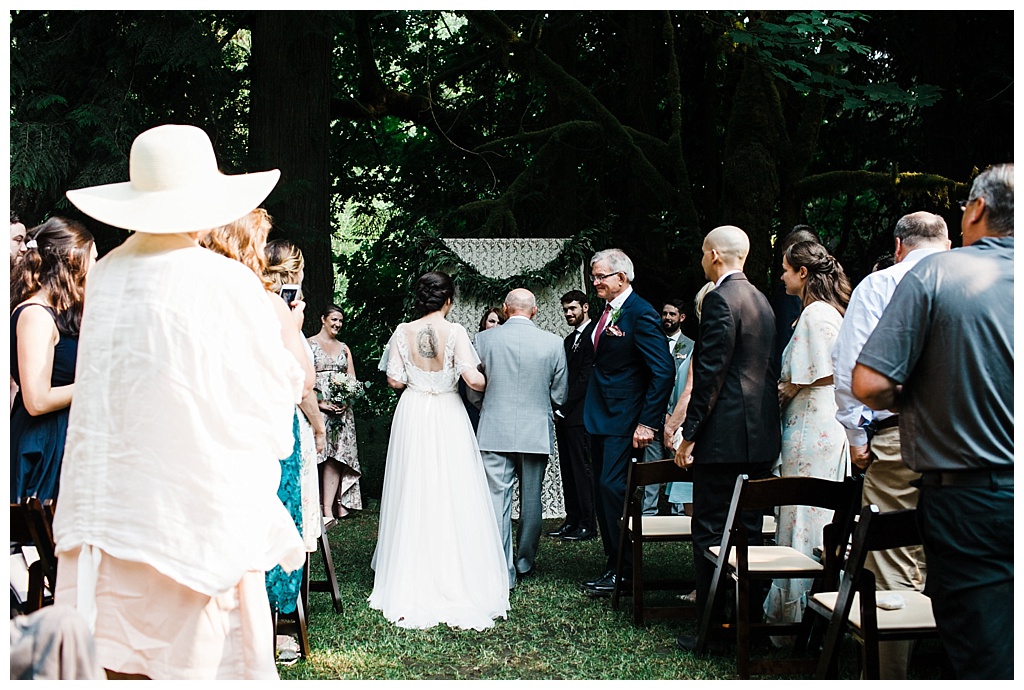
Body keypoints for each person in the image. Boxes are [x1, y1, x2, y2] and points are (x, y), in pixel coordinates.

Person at [53, 123, 310, 680]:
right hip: (192, 514)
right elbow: (268, 399)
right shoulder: (226, 282)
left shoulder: (107, 274)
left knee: (116, 663)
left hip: (108, 510)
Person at [852, 164, 1013, 680]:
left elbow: (869, 384)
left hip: (973, 495)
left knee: (982, 647)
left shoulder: (938, 273)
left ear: (976, 210)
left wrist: (926, 393)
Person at [831, 211, 950, 679]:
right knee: (959, 546)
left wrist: (857, 436)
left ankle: (890, 676)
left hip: (901, 433)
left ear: (898, 246)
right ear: (948, 242)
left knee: (892, 557)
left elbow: (851, 368)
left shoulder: (880, 285)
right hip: (976, 438)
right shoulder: (980, 282)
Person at [371, 271, 509, 630]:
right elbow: (473, 379)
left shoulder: (403, 331)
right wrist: (493, 375)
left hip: (414, 411)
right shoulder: (457, 332)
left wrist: (419, 376)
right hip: (447, 412)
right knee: (451, 487)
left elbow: (394, 380)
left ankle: (410, 569)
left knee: (412, 486)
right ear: (449, 300)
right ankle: (452, 569)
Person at [200, 209, 317, 622]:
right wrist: (294, 325)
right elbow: (303, 382)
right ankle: (278, 618)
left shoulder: (204, 295)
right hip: (268, 426)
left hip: (215, 424)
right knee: (277, 512)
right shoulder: (267, 303)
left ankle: (231, 613)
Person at [674, 226, 780, 652]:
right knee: (750, 533)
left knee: (710, 532)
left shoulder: (720, 298)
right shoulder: (762, 300)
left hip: (723, 440)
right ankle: (750, 626)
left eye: (702, 252)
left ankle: (713, 631)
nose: (701, 259)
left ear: (715, 254)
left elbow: (711, 376)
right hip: (759, 436)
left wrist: (689, 434)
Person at [763, 240, 852, 631]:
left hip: (811, 426)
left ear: (802, 272)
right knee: (813, 515)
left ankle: (794, 618)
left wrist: (784, 392)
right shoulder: (829, 311)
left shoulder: (816, 314)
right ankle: (810, 612)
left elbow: (815, 372)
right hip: (820, 421)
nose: (781, 276)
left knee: (801, 516)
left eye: (785, 269)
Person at [580, 248, 675, 596]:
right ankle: (613, 563)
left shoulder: (641, 313)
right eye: (594, 276)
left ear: (621, 277)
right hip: (599, 415)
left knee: (612, 488)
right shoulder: (607, 312)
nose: (595, 282)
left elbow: (663, 370)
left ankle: (624, 567)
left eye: (600, 276)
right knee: (603, 489)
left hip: (625, 418)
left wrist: (648, 422)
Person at [469, 288, 568, 586]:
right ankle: (524, 561)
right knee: (531, 500)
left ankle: (502, 567)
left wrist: (485, 406)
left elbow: (474, 388)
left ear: (506, 309)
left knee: (497, 500)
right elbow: (560, 393)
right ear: (534, 311)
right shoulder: (553, 343)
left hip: (494, 428)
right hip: (535, 429)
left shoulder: (484, 340)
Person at [10, 216, 97, 503]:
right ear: (73, 259)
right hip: (42, 444)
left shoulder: (63, 313)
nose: (95, 267)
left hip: (65, 438)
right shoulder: (35, 315)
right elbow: (37, 401)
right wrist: (96, 382)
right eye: (93, 258)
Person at [266, 238, 328, 551]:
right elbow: (303, 384)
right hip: (287, 424)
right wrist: (319, 427)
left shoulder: (255, 305)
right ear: (297, 273)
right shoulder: (282, 315)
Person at [549, 289, 598, 542]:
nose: (568, 313)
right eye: (566, 309)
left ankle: (588, 524)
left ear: (585, 307)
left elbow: (586, 378)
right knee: (567, 468)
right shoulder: (568, 341)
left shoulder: (594, 335)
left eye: (573, 309)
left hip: (582, 415)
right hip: (565, 416)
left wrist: (562, 407)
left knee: (582, 469)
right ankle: (572, 519)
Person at [639, 299, 694, 516]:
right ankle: (649, 510)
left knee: (678, 461)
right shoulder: (654, 342)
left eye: (672, 314)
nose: (667, 318)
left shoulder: (691, 346)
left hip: (678, 415)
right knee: (651, 462)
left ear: (682, 317)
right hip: (654, 413)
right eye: (665, 313)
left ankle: (679, 509)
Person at [308, 304, 363, 521]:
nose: (338, 324)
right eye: (334, 319)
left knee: (335, 457)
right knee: (316, 455)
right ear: (323, 319)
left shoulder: (344, 348)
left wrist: (346, 401)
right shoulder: (309, 345)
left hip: (341, 412)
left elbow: (353, 381)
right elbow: (303, 378)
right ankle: (310, 505)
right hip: (317, 408)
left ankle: (329, 508)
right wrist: (320, 403)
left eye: (340, 321)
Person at [769, 225, 819, 371]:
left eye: (785, 269)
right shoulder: (828, 298)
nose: (782, 276)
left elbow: (785, 340)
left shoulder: (793, 296)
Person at [460, 306, 506, 430]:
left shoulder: (507, 350)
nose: (496, 325)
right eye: (492, 321)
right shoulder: (473, 346)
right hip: (474, 406)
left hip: (499, 410)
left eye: (500, 323)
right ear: (484, 322)